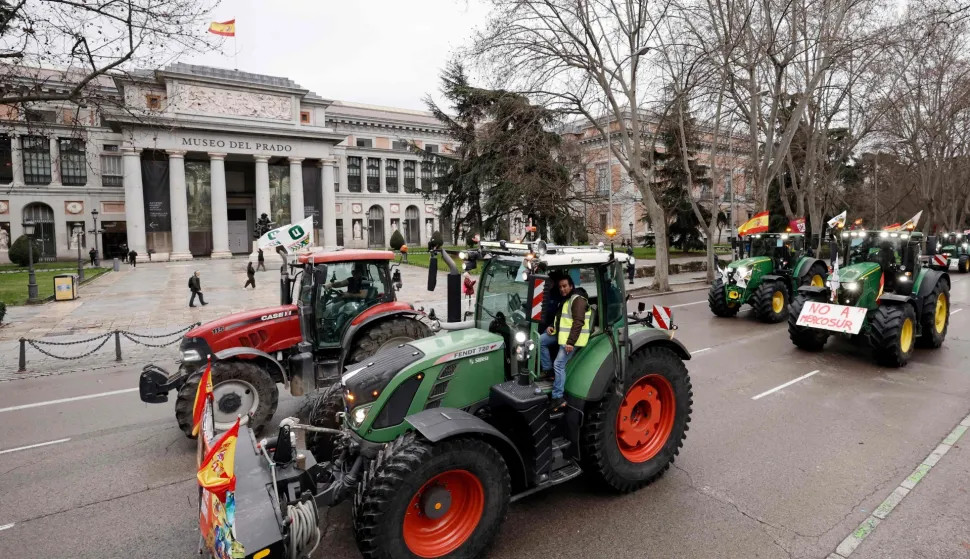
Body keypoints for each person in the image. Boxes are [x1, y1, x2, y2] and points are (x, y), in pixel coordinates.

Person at [539, 275, 591, 411]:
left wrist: (570, 342)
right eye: (560, 287)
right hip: (562, 335)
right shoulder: (566, 300)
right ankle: (548, 371)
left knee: (559, 364)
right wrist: (551, 327)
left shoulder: (577, 300)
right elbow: (561, 319)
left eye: (565, 286)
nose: (562, 289)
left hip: (572, 339)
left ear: (571, 286)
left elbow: (578, 321)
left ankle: (557, 397)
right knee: (541, 341)